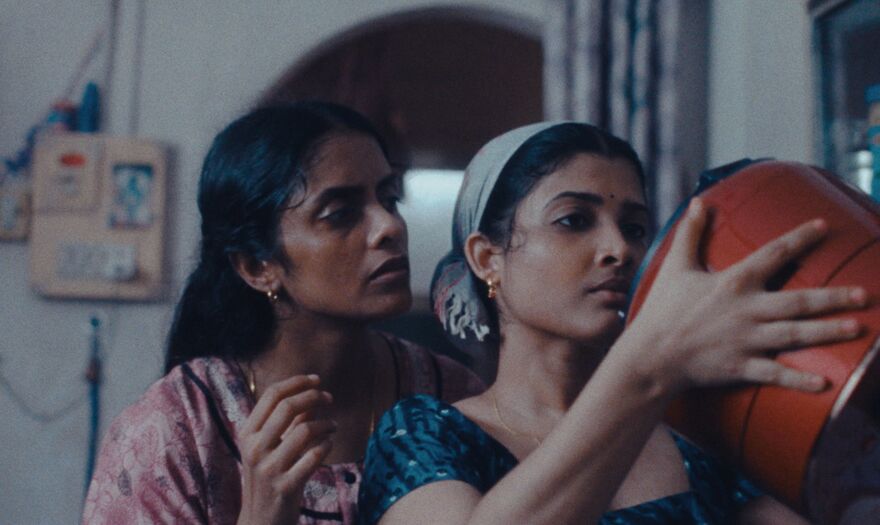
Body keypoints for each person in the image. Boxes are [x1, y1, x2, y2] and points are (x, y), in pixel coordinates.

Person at [358, 122, 868, 524]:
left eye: (635, 228)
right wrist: (647, 364)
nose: (619, 249)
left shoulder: (701, 438)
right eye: (574, 221)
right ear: (487, 258)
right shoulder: (424, 435)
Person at [82, 101, 483, 524]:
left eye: (390, 198)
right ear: (259, 267)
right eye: (341, 214)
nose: (390, 226)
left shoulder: (453, 395)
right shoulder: (172, 434)